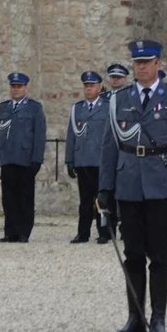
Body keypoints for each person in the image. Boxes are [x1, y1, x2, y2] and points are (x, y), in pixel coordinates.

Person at [97, 39, 167, 332]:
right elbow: (110, 145)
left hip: (161, 184)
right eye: (136, 62)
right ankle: (135, 317)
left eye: (146, 62)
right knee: (133, 254)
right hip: (128, 184)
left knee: (160, 253)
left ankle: (158, 318)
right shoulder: (120, 99)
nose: (140, 67)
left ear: (158, 65)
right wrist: (105, 186)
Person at [0, 72, 46, 244]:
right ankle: (10, 232)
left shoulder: (34, 108)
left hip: (25, 159)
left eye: (19, 86)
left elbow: (39, 135)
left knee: (25, 198)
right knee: (9, 199)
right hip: (7, 158)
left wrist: (37, 159)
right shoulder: (3, 107)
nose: (16, 90)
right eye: (13, 86)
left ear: (25, 88)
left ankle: (24, 232)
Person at [66, 71, 108, 244]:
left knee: (102, 201)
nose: (89, 89)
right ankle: (82, 233)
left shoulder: (107, 107)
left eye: (92, 86)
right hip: (83, 161)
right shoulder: (77, 108)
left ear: (99, 88)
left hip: (100, 161)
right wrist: (69, 160)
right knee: (84, 201)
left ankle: (104, 232)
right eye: (86, 86)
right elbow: (71, 135)